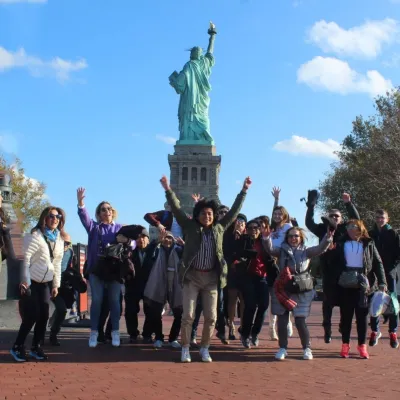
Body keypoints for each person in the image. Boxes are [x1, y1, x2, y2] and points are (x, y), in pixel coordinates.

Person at [160, 175, 252, 363]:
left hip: (211, 278)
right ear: (197, 215)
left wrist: (244, 191)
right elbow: (177, 209)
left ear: (214, 215)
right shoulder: (189, 226)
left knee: (211, 316)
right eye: (203, 213)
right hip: (192, 277)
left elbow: (234, 211)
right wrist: (168, 189)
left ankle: (204, 347)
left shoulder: (219, 227)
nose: (207, 216)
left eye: (210, 214)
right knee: (189, 315)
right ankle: (185, 347)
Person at [263, 226, 334, 360]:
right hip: (283, 286)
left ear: (301, 238)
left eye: (296, 236)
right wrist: (266, 238)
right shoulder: (282, 250)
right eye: (290, 236)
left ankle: (307, 348)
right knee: (282, 320)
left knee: (300, 320)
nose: (293, 238)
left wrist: (327, 239)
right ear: (287, 238)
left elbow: (320, 249)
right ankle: (283, 348)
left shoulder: (306, 251)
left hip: (301, 288)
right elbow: (270, 250)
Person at [77, 187, 135, 348]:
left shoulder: (120, 228)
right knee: (97, 300)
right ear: (98, 213)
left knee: (114, 302)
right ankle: (94, 333)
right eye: (103, 210)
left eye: (109, 209)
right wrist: (81, 204)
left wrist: (128, 241)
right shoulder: (94, 228)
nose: (106, 211)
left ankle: (115, 332)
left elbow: (135, 242)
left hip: (115, 271)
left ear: (113, 212)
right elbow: (85, 219)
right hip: (97, 270)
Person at [10, 206, 66, 362]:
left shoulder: (59, 240)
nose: (55, 219)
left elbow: (57, 264)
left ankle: (36, 346)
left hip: (46, 283)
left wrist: (56, 285)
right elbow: (26, 259)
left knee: (44, 315)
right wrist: (24, 281)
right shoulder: (34, 236)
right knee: (31, 316)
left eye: (58, 217)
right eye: (51, 216)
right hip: (32, 282)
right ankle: (17, 346)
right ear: (44, 218)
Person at [305, 191, 360, 343]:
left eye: (337, 216)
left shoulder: (345, 230)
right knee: (328, 302)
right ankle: (327, 329)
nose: (335, 218)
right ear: (328, 217)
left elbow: (357, 220)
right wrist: (311, 206)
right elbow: (309, 223)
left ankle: (343, 325)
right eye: (332, 215)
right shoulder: (323, 229)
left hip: (343, 272)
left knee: (344, 302)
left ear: (341, 219)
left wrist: (348, 203)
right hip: (328, 272)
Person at [333, 220, 387, 359]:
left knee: (362, 317)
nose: (351, 229)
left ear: (360, 228)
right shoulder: (340, 243)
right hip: (346, 281)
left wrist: (382, 282)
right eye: (349, 227)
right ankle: (345, 345)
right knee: (346, 316)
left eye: (354, 227)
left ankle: (362, 345)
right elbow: (332, 262)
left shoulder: (368, 243)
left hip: (363, 283)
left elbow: (377, 262)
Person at [233, 219, 275, 349]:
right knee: (250, 306)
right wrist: (240, 260)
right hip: (247, 277)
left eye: (256, 228)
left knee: (263, 306)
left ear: (260, 229)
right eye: (250, 228)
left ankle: (255, 333)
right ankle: (245, 335)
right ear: (247, 229)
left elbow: (272, 254)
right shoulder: (242, 241)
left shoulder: (264, 242)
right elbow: (234, 255)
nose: (253, 230)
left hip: (262, 277)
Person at [143, 232, 184, 348]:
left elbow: (188, 255)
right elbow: (148, 252)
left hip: (175, 283)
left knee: (179, 312)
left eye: (170, 238)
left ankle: (173, 338)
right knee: (155, 312)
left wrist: (184, 245)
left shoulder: (178, 250)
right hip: (158, 283)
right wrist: (156, 241)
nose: (168, 241)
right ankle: (159, 337)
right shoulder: (157, 250)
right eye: (166, 238)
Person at [368, 209, 399, 349]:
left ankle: (393, 332)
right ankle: (375, 331)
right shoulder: (371, 234)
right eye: (378, 217)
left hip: (390, 273)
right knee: (375, 302)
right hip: (374, 275)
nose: (380, 220)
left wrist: (392, 267)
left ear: (387, 219)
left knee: (393, 303)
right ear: (375, 218)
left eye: (383, 218)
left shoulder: (393, 233)